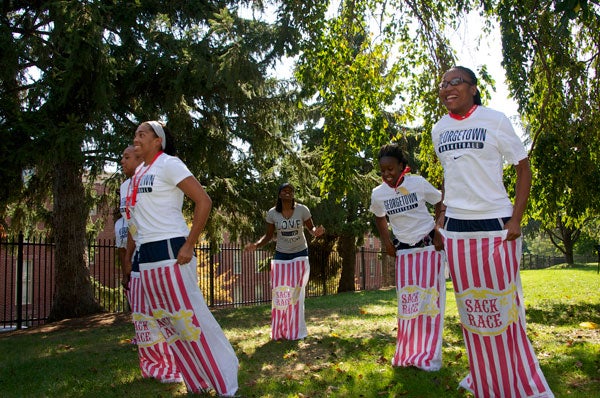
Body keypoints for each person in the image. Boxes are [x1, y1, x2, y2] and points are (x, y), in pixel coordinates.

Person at [432, 66, 553, 397]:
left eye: (455, 81)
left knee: (503, 309)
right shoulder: (438, 128)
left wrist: (516, 218)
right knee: (473, 310)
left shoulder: (495, 119)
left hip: (496, 227)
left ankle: (518, 378)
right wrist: (441, 217)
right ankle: (485, 376)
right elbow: (450, 174)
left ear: (473, 88)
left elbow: (523, 166)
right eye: (443, 84)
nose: (447, 88)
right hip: (457, 230)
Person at [124, 121, 238, 396]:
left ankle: (227, 382)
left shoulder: (169, 164)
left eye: (142, 134)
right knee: (169, 323)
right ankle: (198, 382)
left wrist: (190, 244)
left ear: (158, 141)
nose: (136, 139)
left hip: (171, 251)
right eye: (135, 134)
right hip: (147, 256)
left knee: (191, 318)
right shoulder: (139, 172)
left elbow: (204, 201)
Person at [369, 143, 446, 371]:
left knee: (431, 302)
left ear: (402, 166)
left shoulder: (418, 183)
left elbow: (441, 201)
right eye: (382, 171)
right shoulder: (379, 193)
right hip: (404, 251)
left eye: (390, 169)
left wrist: (439, 229)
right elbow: (379, 217)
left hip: (428, 246)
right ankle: (409, 353)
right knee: (409, 303)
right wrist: (387, 242)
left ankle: (430, 356)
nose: (386, 174)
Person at [118, 145, 182, 382]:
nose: (122, 161)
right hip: (138, 255)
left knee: (166, 312)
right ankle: (153, 366)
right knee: (142, 315)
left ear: (140, 158)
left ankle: (174, 366)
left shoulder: (155, 176)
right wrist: (127, 258)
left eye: (127, 157)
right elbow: (133, 225)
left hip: (161, 251)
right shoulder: (125, 186)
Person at [244, 183, 324, 340]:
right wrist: (256, 245)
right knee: (280, 292)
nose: (287, 192)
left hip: (300, 253)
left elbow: (311, 229)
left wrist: (317, 232)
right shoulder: (272, 213)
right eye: (284, 190)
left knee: (297, 293)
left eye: (291, 191)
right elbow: (268, 236)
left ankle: (297, 329)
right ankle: (281, 328)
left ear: (293, 195)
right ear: (279, 194)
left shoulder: (302, 210)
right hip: (281, 255)